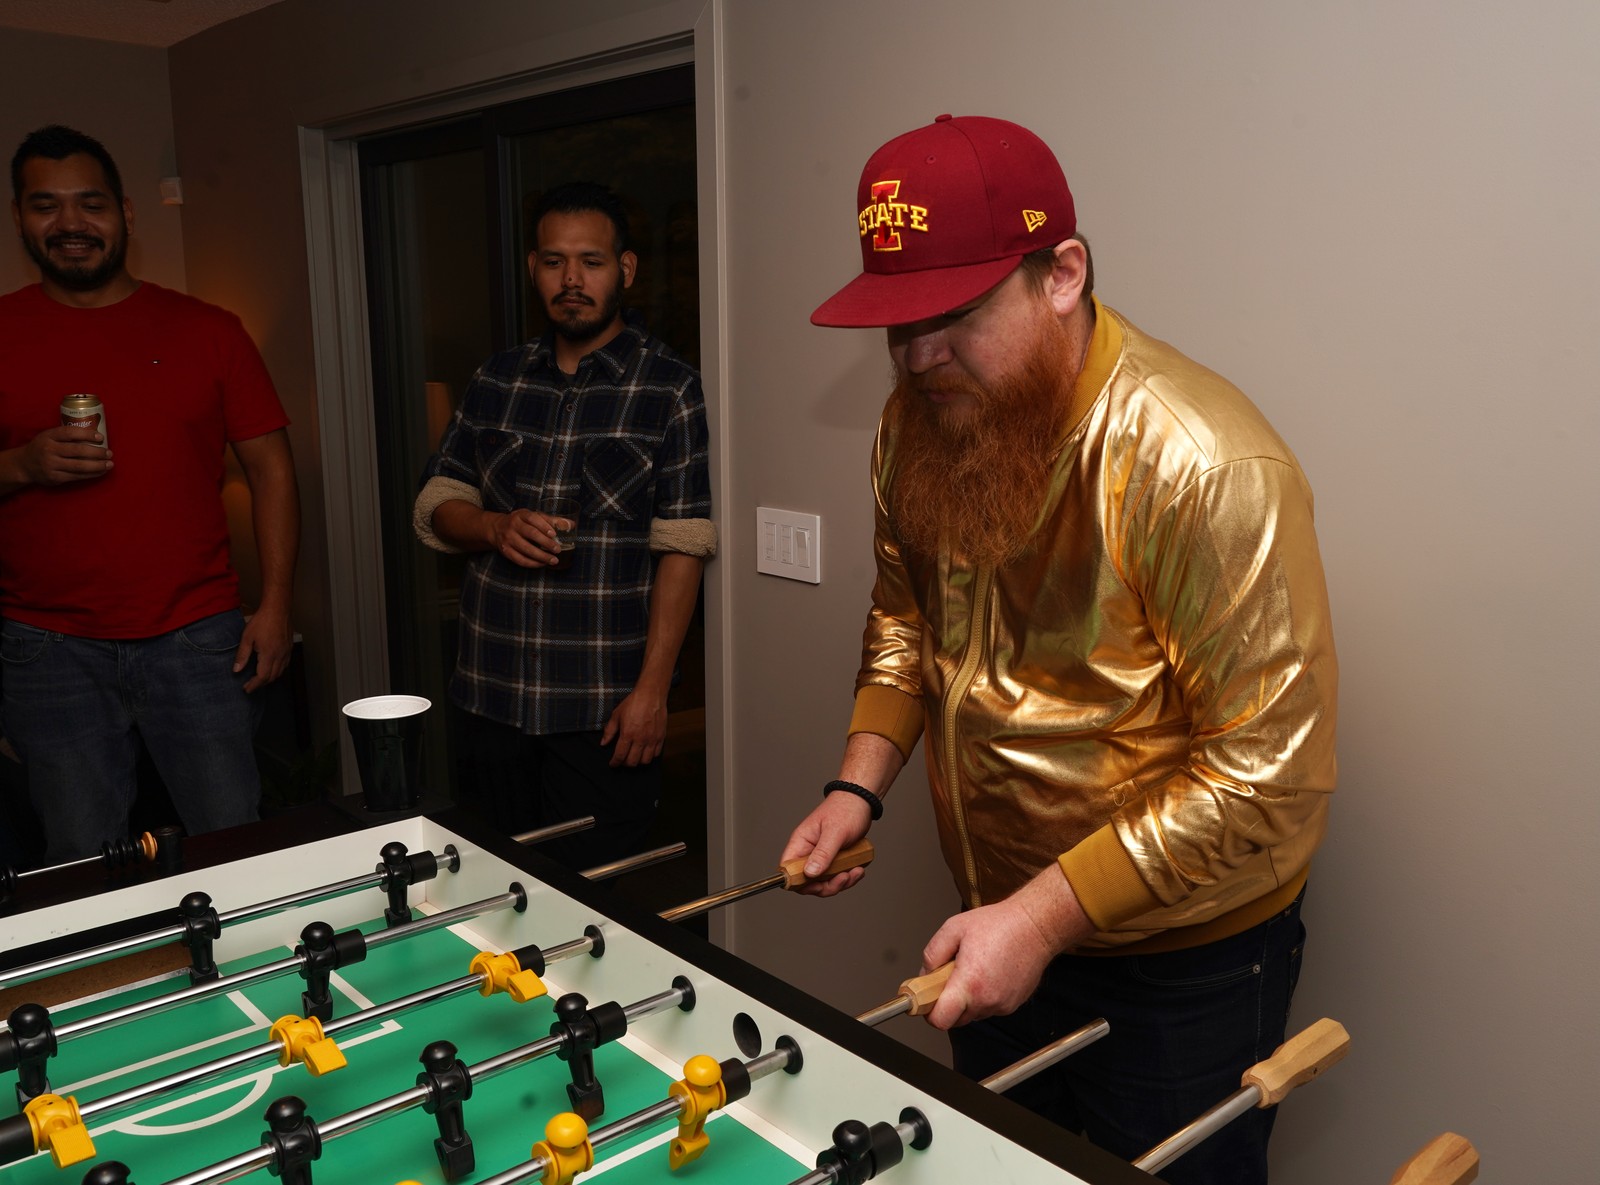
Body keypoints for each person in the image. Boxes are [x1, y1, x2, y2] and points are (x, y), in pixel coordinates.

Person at [782, 114, 1337, 1184]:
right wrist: (857, 785)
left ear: (1063, 274)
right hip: (993, 923)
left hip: (1181, 964)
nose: (918, 357)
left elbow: (1267, 774)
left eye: (953, 315)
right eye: (898, 324)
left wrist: (1040, 917)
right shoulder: (915, 424)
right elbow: (905, 618)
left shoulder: (1204, 463)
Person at [0, 125, 300, 862]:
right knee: (81, 861)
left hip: (197, 637)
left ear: (126, 213)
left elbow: (272, 470)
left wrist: (275, 605)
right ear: (19, 219)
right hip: (49, 648)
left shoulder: (211, 331)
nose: (71, 223)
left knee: (233, 841)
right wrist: (22, 466)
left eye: (91, 203)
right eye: (46, 205)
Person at [414, 181, 714, 870]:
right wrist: (492, 526)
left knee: (591, 898)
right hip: (490, 699)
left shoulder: (669, 387)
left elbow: (683, 546)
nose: (571, 279)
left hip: (601, 711)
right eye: (554, 261)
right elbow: (436, 503)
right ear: (534, 268)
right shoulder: (498, 379)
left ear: (625, 270)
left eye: (591, 261)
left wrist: (652, 693)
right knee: (489, 884)